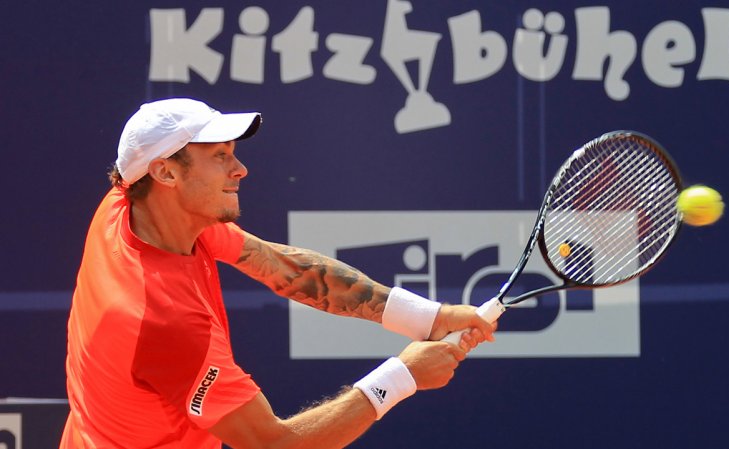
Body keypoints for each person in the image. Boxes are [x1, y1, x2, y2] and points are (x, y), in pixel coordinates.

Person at [60, 98, 495, 448]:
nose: (240, 169)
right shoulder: (162, 320)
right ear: (166, 171)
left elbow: (280, 265)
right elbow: (275, 443)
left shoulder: (136, 205)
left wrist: (428, 318)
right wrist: (403, 376)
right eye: (219, 156)